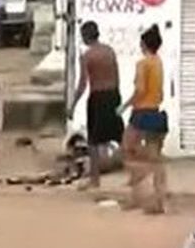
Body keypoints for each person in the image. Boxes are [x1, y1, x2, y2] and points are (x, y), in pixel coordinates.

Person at [70, 21, 124, 190]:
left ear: (86, 36)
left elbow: (83, 83)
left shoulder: (87, 56)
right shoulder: (109, 51)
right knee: (119, 136)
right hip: (113, 94)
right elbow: (117, 75)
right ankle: (134, 174)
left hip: (98, 96)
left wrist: (72, 105)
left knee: (93, 140)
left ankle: (95, 179)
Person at [122, 24, 168, 214]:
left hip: (141, 113)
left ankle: (137, 191)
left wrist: (125, 105)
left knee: (127, 149)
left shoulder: (143, 64)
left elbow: (140, 90)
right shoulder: (158, 62)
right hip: (156, 111)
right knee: (156, 159)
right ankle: (157, 200)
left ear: (143, 44)